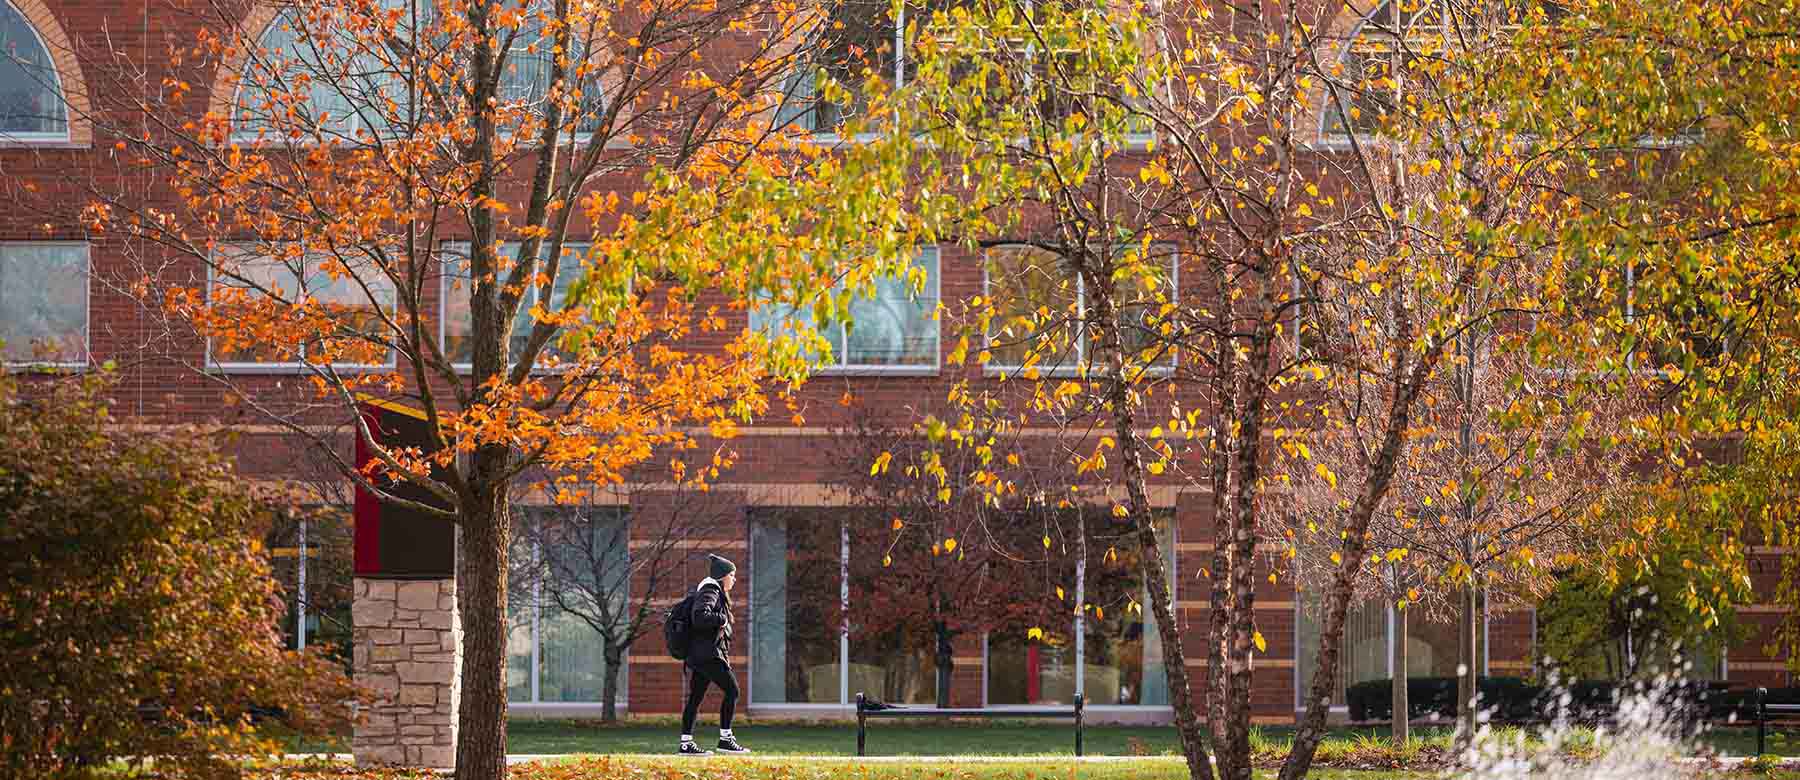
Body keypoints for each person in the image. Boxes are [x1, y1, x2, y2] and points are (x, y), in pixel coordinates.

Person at [679, 553, 749, 755]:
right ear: (722, 576)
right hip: (707, 655)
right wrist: (722, 619)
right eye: (732, 575)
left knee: (696, 697)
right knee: (732, 691)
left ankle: (686, 744)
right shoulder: (711, 590)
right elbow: (700, 616)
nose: (734, 579)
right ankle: (726, 740)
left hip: (699, 655)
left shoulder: (712, 590)